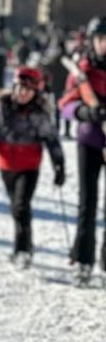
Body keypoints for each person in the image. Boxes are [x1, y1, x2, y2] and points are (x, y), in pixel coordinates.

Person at [0, 68, 64, 268]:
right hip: (7, 165)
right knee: (16, 207)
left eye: (28, 90)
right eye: (20, 88)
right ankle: (25, 244)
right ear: (14, 87)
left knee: (22, 205)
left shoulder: (40, 112)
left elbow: (51, 139)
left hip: (29, 165)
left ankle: (22, 250)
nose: (23, 93)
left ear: (35, 92)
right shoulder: (3, 107)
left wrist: (59, 165)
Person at [59, 19, 106, 285]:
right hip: (89, 140)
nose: (104, 44)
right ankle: (83, 260)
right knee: (87, 202)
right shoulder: (82, 70)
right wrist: (84, 112)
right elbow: (65, 105)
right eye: (100, 39)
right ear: (92, 40)